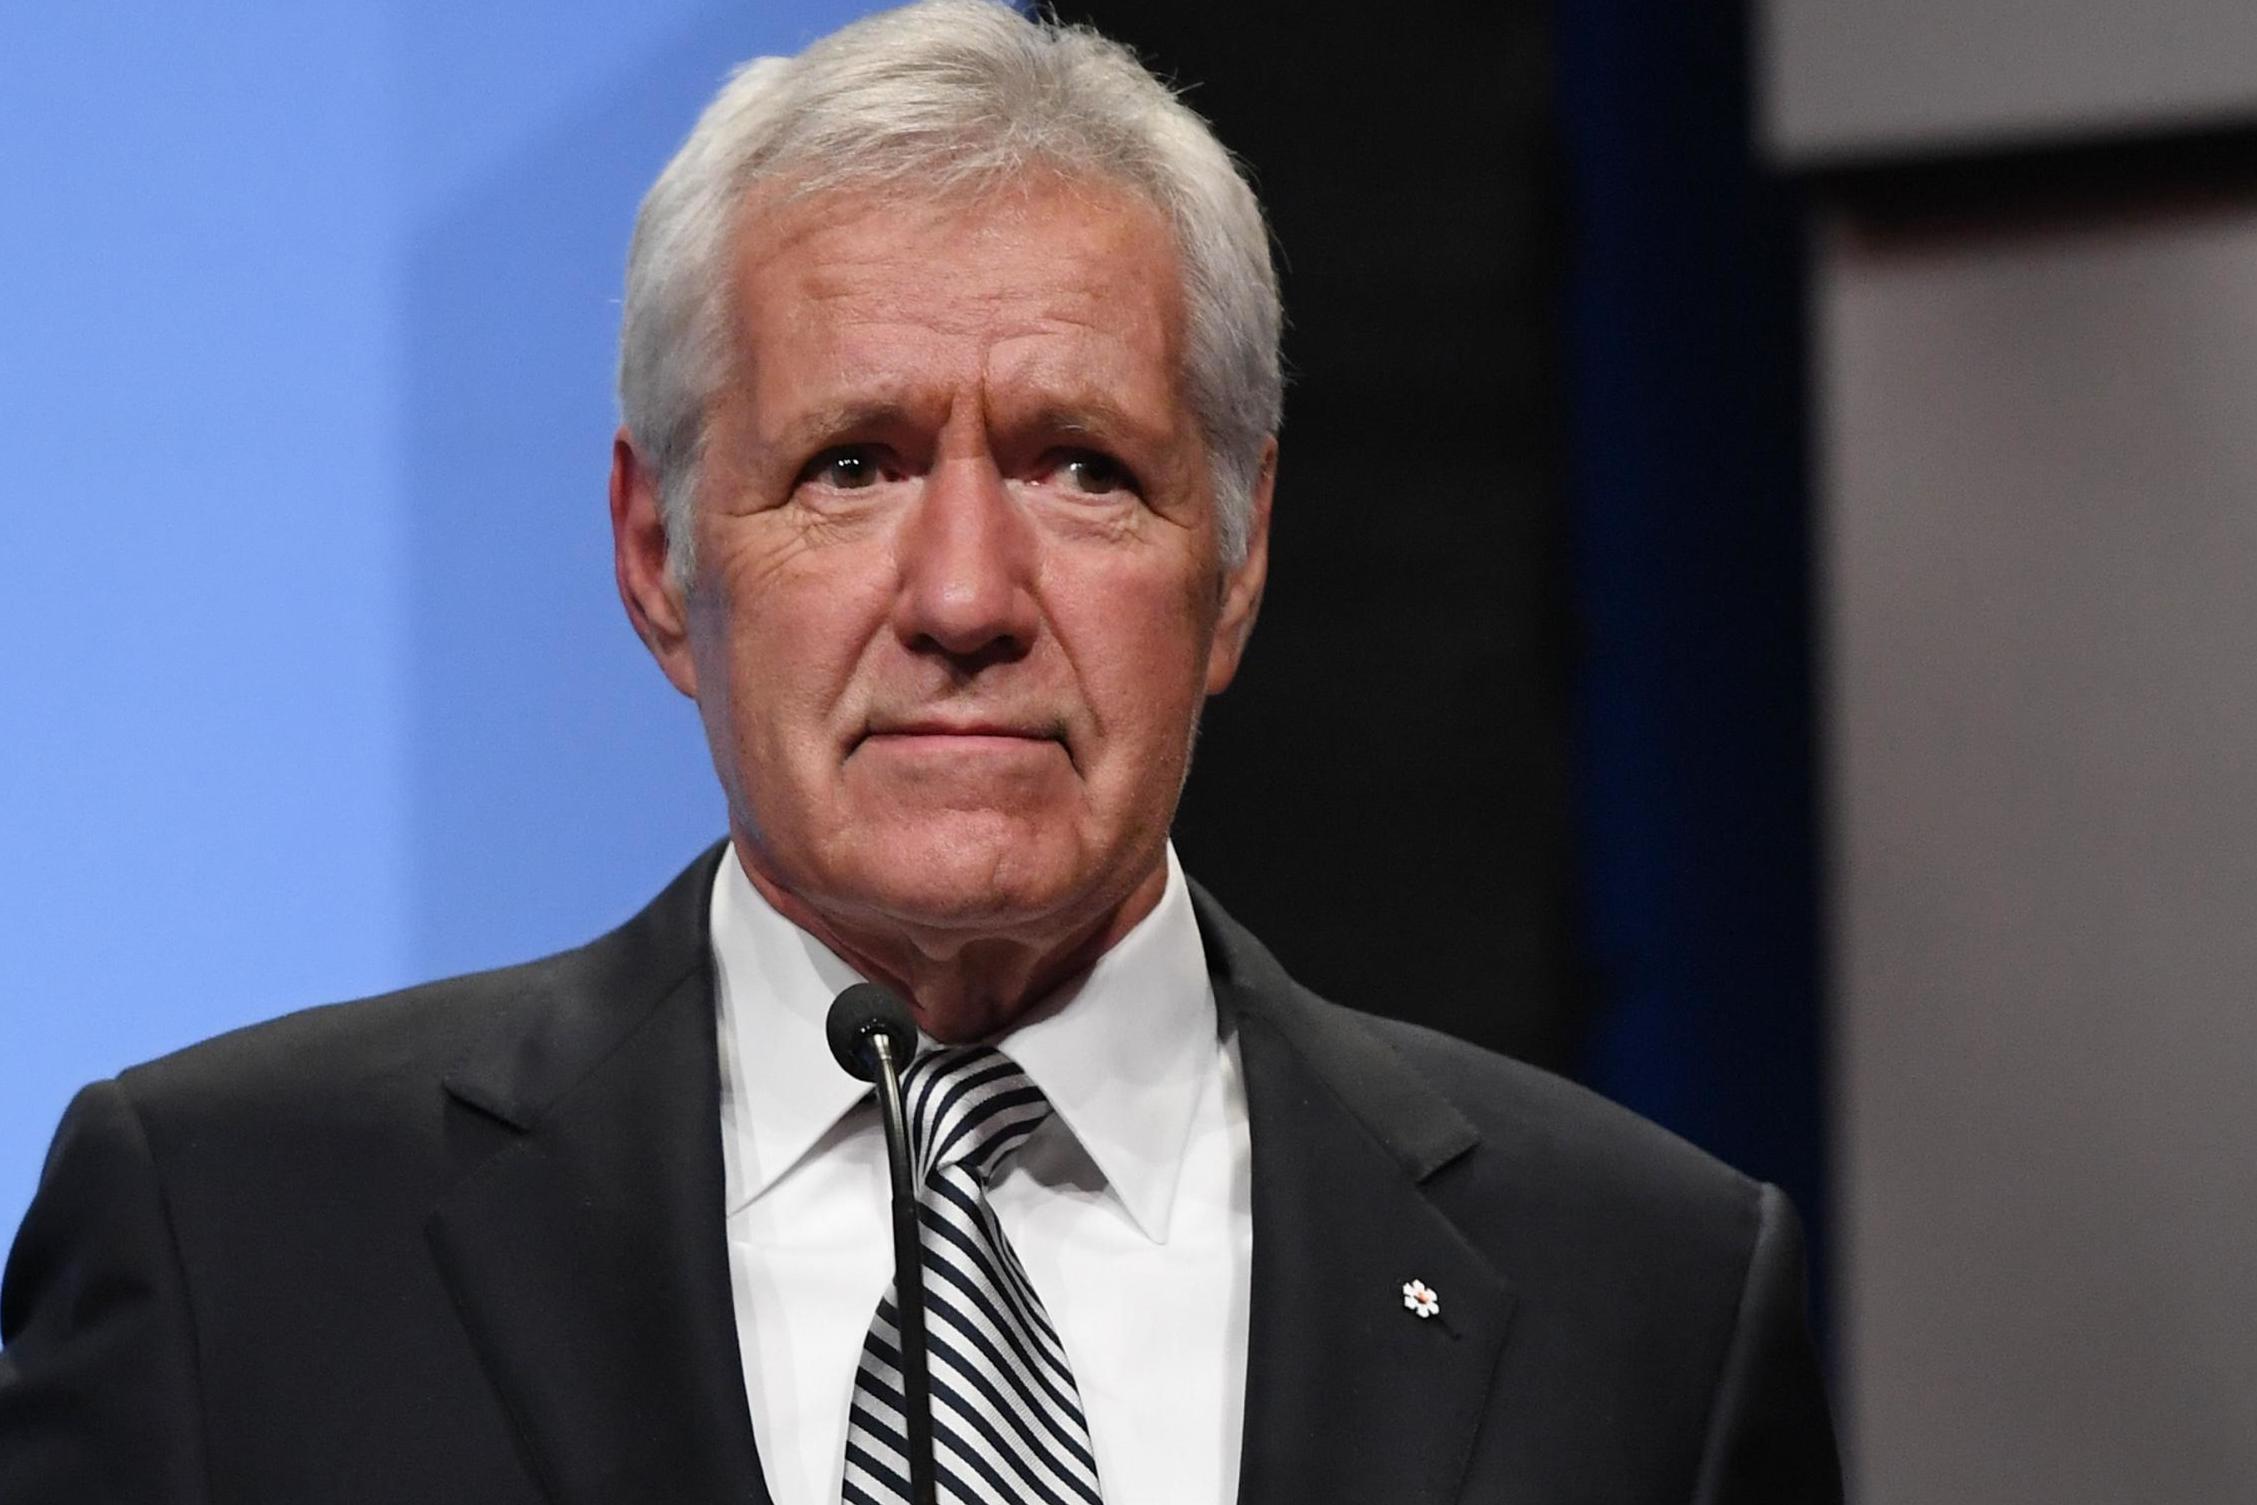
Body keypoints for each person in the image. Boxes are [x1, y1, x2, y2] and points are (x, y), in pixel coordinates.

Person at [0, 2, 1840, 1501]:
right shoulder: (229, 1245)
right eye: (852, 465)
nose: (966, 593)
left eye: (1081, 466)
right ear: (658, 554)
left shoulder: (1648, 1297)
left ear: (1238, 555)